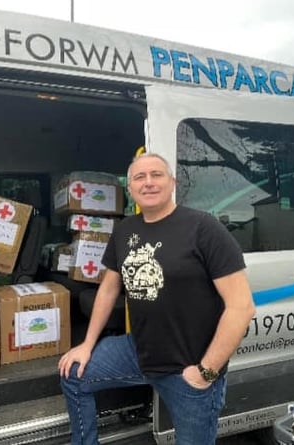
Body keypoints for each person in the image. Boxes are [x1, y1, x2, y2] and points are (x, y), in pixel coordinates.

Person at [58, 153, 256, 445]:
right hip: (137, 351)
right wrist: (87, 345)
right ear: (131, 188)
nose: (148, 183)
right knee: (73, 374)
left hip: (189, 368)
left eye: (156, 175)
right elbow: (109, 288)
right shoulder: (125, 229)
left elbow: (241, 307)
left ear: (172, 182)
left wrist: (205, 372)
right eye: (139, 177)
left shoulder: (204, 228)